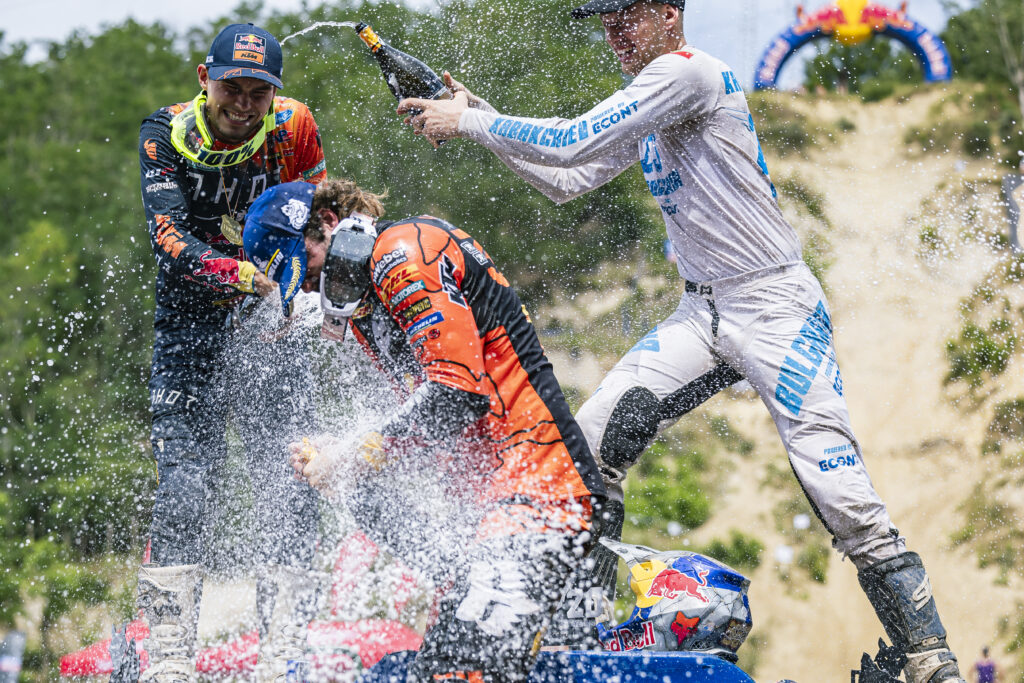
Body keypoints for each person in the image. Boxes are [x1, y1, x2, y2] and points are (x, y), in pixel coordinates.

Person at [396, 1, 964, 681]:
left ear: (670, 14)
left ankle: (929, 656)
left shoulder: (689, 73)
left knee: (839, 492)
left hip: (776, 305)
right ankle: (584, 620)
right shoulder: (651, 100)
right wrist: (480, 121)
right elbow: (565, 179)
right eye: (605, 22)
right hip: (704, 310)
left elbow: (571, 138)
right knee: (586, 445)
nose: (614, 33)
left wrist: (469, 119)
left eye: (627, 16)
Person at [241, 179, 607, 682]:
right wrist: (346, 460)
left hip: (539, 497)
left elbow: (458, 395)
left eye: (303, 267)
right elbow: (424, 426)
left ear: (328, 223)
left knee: (451, 674)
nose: (305, 286)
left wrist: (350, 452)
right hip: (493, 516)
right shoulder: (368, 307)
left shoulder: (401, 252)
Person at [137, 22, 327, 682]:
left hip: (273, 331)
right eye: (231, 90)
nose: (244, 106)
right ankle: (166, 662)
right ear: (203, 79)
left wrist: (313, 293)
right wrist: (248, 277)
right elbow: (169, 240)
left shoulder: (294, 125)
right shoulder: (163, 133)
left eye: (258, 94)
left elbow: (320, 216)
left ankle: (283, 658)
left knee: (292, 488)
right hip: (189, 330)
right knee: (186, 492)